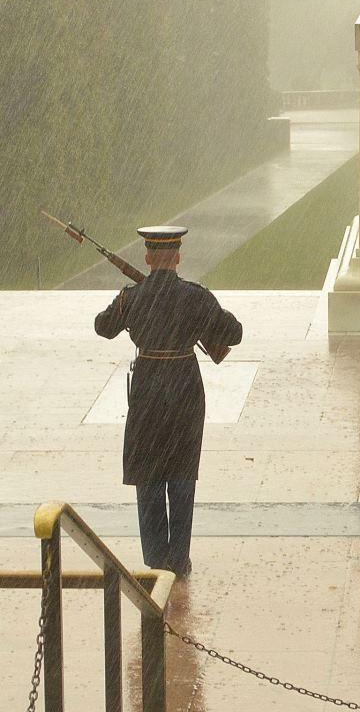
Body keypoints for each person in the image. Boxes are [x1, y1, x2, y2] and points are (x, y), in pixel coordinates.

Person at [94, 226, 242, 576]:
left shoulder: (133, 297)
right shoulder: (196, 297)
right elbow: (234, 332)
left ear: (147, 258)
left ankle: (155, 560)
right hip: (184, 391)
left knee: (149, 476)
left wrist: (127, 300)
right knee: (181, 476)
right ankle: (179, 558)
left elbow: (103, 327)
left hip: (146, 391)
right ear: (178, 257)